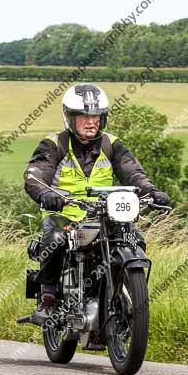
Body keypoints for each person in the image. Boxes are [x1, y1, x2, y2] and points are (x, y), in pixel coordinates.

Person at [23, 83, 171, 314]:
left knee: (135, 240)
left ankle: (120, 293)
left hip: (103, 214)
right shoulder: (53, 145)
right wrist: (47, 195)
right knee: (55, 238)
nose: (91, 121)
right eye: (83, 116)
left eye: (97, 115)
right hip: (64, 213)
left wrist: (151, 192)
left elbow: (132, 172)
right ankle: (48, 296)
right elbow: (36, 175)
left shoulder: (112, 144)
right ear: (70, 118)